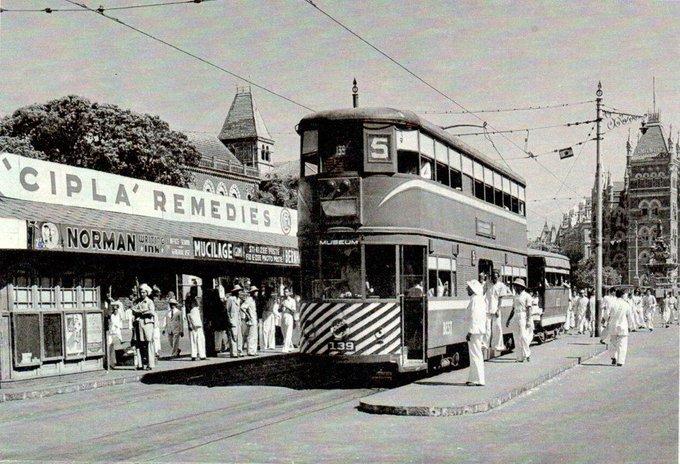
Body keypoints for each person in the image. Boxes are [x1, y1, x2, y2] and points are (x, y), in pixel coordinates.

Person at [465, 280, 487, 386]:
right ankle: (473, 378)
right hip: (479, 330)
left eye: (468, 287)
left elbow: (474, 317)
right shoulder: (480, 299)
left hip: (475, 331)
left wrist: (470, 332)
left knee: (475, 355)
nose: (466, 289)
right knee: (476, 354)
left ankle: (479, 379)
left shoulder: (474, 299)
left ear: (473, 289)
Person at [506, 278, 533, 362]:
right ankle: (519, 357)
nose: (514, 288)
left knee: (523, 336)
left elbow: (529, 309)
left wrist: (528, 320)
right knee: (516, 337)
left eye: (516, 286)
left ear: (520, 287)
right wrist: (508, 319)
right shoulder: (515, 296)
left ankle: (527, 353)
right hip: (516, 316)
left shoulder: (527, 296)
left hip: (523, 316)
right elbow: (513, 309)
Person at [606, 288, 635, 366]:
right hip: (623, 326)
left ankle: (613, 357)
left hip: (613, 325)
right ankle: (620, 361)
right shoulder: (626, 304)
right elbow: (630, 316)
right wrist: (630, 325)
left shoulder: (612, 303)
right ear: (623, 295)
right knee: (622, 344)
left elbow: (606, 314)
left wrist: (607, 321)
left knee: (612, 343)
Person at [131, 283, 156, 370]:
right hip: (139, 324)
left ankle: (150, 364)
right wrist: (142, 311)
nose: (142, 294)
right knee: (139, 344)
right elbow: (133, 310)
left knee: (148, 343)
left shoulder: (149, 302)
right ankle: (140, 364)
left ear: (147, 292)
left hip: (147, 325)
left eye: (143, 292)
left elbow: (151, 312)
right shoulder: (138, 302)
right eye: (141, 292)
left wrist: (141, 311)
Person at [484, 270, 507, 354]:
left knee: (497, 327)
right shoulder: (487, 284)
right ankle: (485, 344)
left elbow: (500, 299)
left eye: (496, 277)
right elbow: (483, 293)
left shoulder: (501, 286)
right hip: (487, 308)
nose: (495, 278)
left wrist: (498, 309)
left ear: (498, 277)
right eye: (493, 277)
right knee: (487, 328)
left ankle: (497, 345)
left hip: (496, 309)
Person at [186, 296, 206, 360]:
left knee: (193, 340)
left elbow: (188, 317)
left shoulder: (188, 310)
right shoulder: (196, 309)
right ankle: (202, 355)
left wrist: (190, 324)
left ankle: (194, 355)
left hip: (193, 325)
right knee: (200, 340)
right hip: (198, 325)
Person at [226, 285, 244, 357]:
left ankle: (240, 351)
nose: (239, 292)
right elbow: (227, 310)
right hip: (232, 320)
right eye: (238, 291)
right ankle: (234, 352)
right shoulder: (230, 299)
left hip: (238, 320)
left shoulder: (238, 300)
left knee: (239, 336)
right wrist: (229, 320)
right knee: (233, 336)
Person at [241, 286, 259, 356]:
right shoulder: (249, 299)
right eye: (256, 291)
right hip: (251, 320)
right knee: (251, 336)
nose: (257, 293)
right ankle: (250, 351)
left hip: (254, 319)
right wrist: (248, 315)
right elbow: (242, 307)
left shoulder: (253, 300)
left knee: (254, 336)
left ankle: (254, 350)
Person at [108, 301, 124, 368]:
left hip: (117, 331)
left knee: (118, 347)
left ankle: (119, 360)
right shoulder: (112, 316)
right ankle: (112, 362)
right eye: (114, 309)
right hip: (112, 332)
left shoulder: (120, 315)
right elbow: (111, 323)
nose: (115, 311)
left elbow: (120, 324)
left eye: (116, 309)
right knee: (111, 346)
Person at [280, 287, 297, 352]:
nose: (285, 293)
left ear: (289, 293)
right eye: (284, 292)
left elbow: (294, 310)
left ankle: (285, 348)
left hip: (289, 316)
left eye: (286, 292)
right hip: (283, 316)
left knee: (288, 333)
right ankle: (290, 346)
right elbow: (279, 310)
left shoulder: (292, 300)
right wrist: (281, 307)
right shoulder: (283, 300)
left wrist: (287, 306)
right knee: (284, 332)